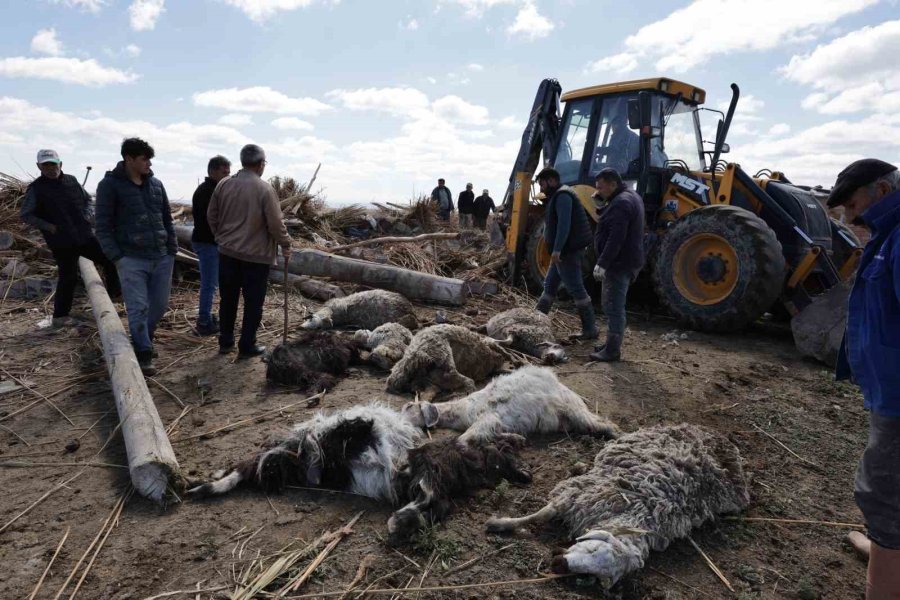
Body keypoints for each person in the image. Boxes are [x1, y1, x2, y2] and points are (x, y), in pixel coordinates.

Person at [829, 158, 900, 599]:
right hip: (887, 389)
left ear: (882, 190)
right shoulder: (886, 236)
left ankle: (883, 585)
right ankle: (883, 550)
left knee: (883, 493)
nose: (848, 216)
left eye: (852, 204)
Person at [96, 138, 176, 376]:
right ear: (128, 159)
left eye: (149, 159)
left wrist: (171, 249)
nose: (148, 163)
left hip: (161, 256)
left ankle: (145, 338)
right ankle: (143, 352)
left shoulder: (156, 185)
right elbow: (102, 226)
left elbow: (167, 219)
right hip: (131, 258)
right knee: (137, 307)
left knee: (159, 306)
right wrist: (117, 257)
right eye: (144, 158)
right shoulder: (109, 185)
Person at [207, 144, 291, 359]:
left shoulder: (224, 184)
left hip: (227, 254)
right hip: (255, 257)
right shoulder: (264, 189)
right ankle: (247, 344)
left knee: (228, 299)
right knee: (253, 302)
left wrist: (221, 237)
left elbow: (212, 215)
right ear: (261, 164)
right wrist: (285, 243)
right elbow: (275, 223)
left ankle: (226, 341)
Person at [21, 149, 120, 327]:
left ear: (61, 164)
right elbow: (26, 215)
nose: (51, 168)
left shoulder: (72, 181)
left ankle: (115, 298)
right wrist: (48, 226)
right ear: (39, 167)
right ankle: (60, 316)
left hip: (84, 235)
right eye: (46, 165)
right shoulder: (36, 189)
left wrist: (88, 213)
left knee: (109, 260)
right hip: (61, 241)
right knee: (68, 276)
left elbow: (88, 200)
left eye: (53, 164)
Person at [533, 167, 598, 340]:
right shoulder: (558, 195)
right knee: (550, 285)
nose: (541, 189)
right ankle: (536, 321)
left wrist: (557, 250)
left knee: (576, 287)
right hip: (563, 252)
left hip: (567, 252)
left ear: (552, 181)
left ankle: (590, 329)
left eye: (542, 184)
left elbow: (564, 225)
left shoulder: (563, 196)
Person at [588, 168, 645, 362]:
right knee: (612, 304)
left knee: (613, 305)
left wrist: (602, 263)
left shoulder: (621, 203)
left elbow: (616, 237)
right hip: (625, 260)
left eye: (601, 188)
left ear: (613, 184)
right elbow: (612, 222)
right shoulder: (628, 196)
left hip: (619, 263)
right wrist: (601, 205)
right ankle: (610, 343)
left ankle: (612, 350)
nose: (598, 191)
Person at [191, 155, 232, 336]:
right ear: (213, 171)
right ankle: (204, 321)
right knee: (209, 284)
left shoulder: (214, 189)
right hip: (207, 243)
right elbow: (213, 220)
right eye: (224, 172)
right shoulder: (207, 191)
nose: (227, 176)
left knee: (212, 282)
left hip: (211, 242)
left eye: (228, 172)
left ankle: (206, 317)